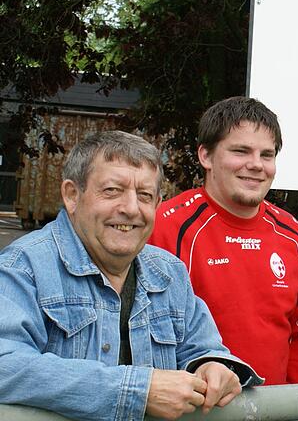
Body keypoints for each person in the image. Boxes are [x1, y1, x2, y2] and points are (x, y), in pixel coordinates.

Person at [0, 131, 259, 421]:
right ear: (72, 195)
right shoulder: (24, 267)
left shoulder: (170, 273)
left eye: (145, 195)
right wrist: (138, 390)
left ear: (158, 203)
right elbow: (5, 364)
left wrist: (214, 368)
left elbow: (203, 348)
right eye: (112, 190)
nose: (131, 208)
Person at [149, 96, 298, 385]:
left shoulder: (289, 232)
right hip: (193, 412)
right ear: (205, 156)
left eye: (267, 155)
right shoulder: (166, 225)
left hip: (274, 410)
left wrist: (296, 401)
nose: (256, 165)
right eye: (241, 151)